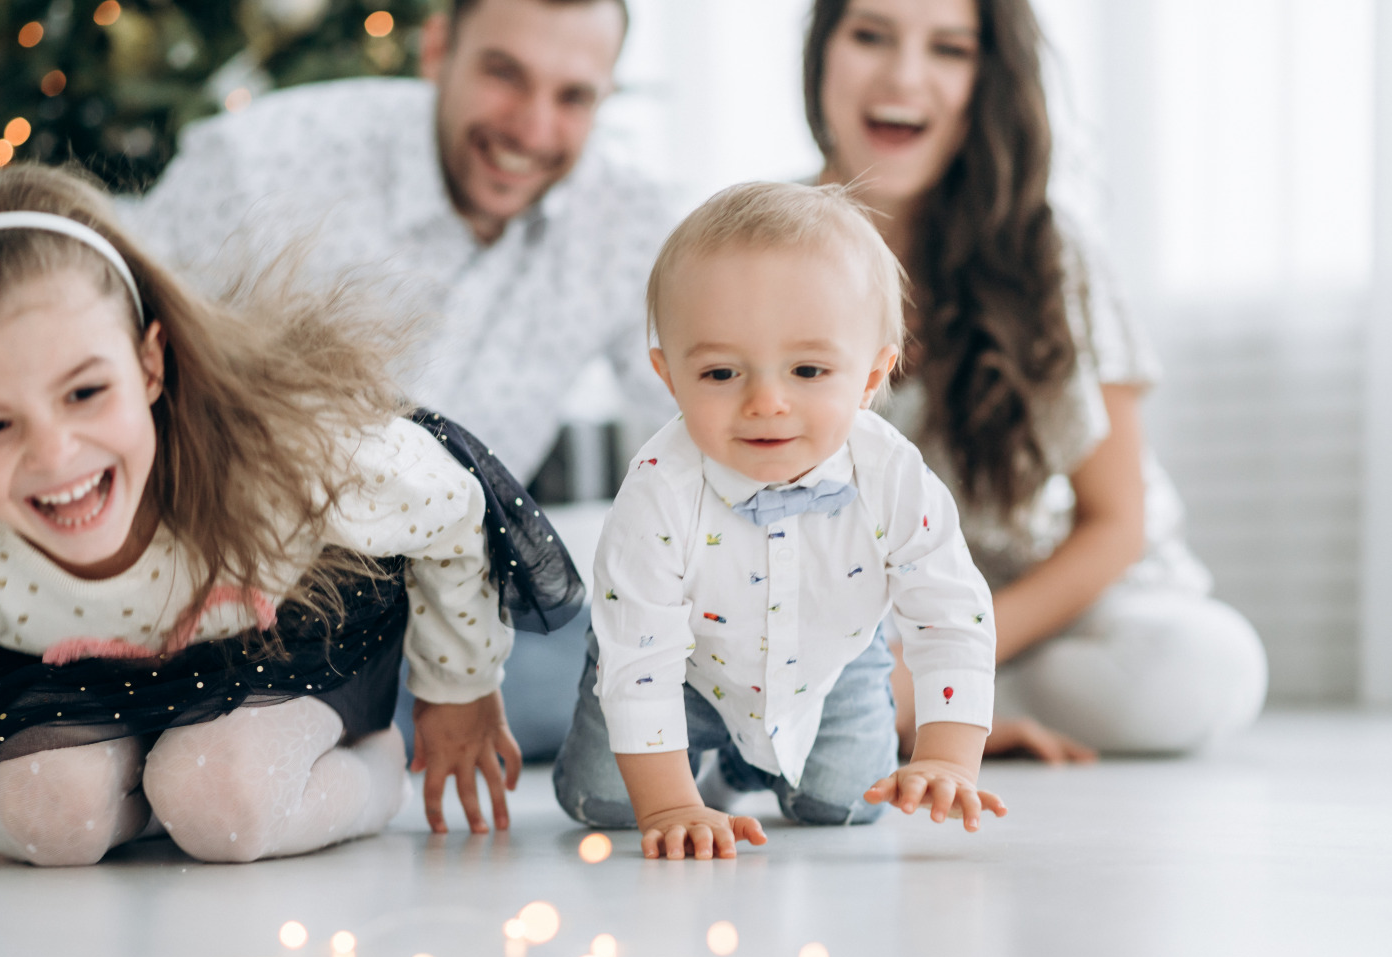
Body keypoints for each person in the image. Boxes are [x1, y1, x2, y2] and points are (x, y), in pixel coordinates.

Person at [0, 164, 579, 865]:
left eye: (86, 392)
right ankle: (143, 785)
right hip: (76, 681)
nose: (55, 457)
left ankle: (363, 764)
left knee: (219, 803)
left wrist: (455, 691)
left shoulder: (285, 459)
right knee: (43, 821)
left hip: (282, 644)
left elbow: (448, 506)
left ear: (150, 363)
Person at [123, 0, 674, 757]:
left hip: (466, 610)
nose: (532, 129)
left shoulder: (628, 221)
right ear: (438, 47)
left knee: (661, 671)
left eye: (573, 96)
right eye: (503, 74)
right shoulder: (258, 159)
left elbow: (693, 434)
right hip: (246, 605)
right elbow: (107, 371)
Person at [805, 0, 1268, 758]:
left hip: (1050, 609)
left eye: (949, 49)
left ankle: (918, 712)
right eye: (869, 35)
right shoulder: (760, 249)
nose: (903, 75)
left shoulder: (1048, 255)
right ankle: (882, 710)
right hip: (869, 620)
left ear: (988, 79)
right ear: (821, 51)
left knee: (1199, 667)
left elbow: (1116, 523)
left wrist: (939, 678)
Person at [553, 182, 1006, 859]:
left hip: (832, 663)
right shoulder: (658, 490)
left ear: (871, 375)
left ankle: (744, 765)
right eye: (719, 374)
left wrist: (946, 756)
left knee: (847, 806)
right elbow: (641, 659)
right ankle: (702, 766)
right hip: (679, 667)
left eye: (806, 369)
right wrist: (674, 805)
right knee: (603, 803)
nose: (766, 402)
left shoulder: (889, 474)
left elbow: (949, 614)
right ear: (668, 376)